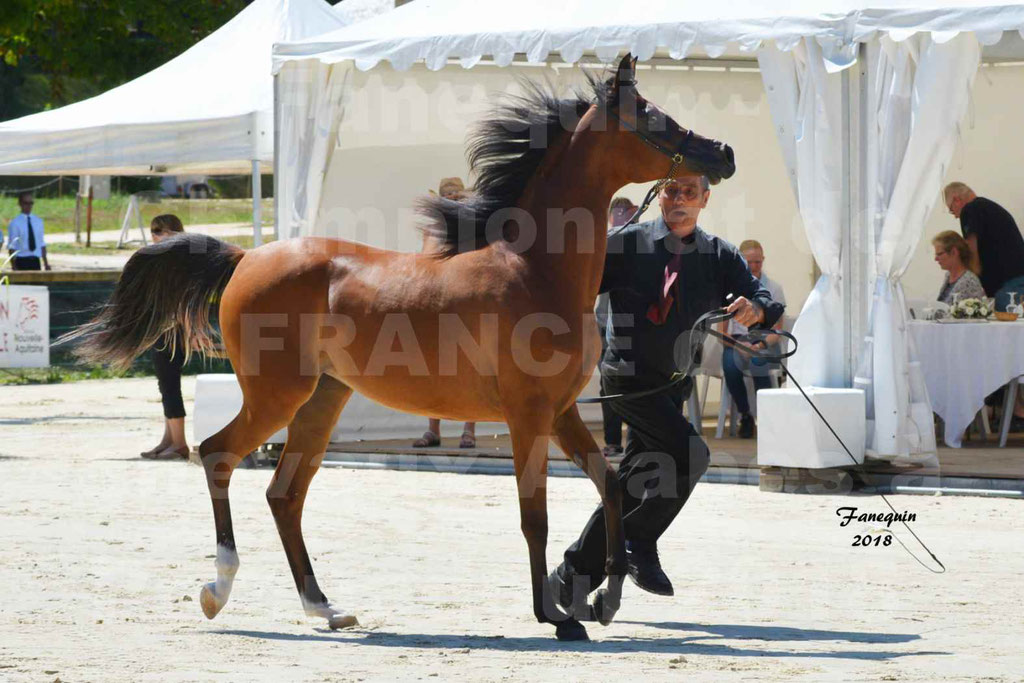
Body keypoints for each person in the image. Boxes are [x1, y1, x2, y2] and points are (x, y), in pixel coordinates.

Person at [551, 175, 784, 603]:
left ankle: (572, 575)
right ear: (659, 195)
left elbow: (762, 295)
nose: (678, 200)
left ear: (705, 200)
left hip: (671, 382)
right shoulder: (623, 243)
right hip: (628, 377)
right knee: (692, 453)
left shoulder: (718, 254)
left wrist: (758, 308)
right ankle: (637, 543)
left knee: (637, 483)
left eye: (688, 193)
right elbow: (569, 285)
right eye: (670, 191)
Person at [413, 177, 477, 449]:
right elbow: (426, 262)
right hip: (438, 303)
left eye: (456, 195)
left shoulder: (474, 228)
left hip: (465, 303)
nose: (452, 198)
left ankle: (469, 430)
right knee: (433, 368)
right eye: (448, 195)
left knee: (473, 366)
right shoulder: (433, 230)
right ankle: (433, 429)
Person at [719, 239, 786, 438]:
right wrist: (739, 345)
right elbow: (722, 333)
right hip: (737, 341)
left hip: (765, 340)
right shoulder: (728, 289)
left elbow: (778, 329)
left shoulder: (774, 288)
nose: (755, 267)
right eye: (750, 263)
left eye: (758, 262)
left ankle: (766, 420)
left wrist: (759, 344)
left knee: (759, 361)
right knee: (730, 365)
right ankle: (745, 415)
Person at [141, 214, 191, 460]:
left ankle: (179, 442)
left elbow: (185, 300)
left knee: (170, 384)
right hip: (161, 327)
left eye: (162, 230)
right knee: (165, 384)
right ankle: (169, 438)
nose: (156, 234)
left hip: (173, 328)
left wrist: (191, 330)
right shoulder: (161, 260)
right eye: (154, 230)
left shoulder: (179, 261)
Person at [596, 196, 638, 457]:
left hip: (634, 326)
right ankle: (612, 441)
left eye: (626, 214)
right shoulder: (602, 245)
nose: (621, 219)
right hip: (605, 327)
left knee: (636, 386)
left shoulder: (639, 244)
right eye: (617, 214)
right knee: (607, 385)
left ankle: (637, 442)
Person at [944, 182, 1024, 311]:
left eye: (952, 210)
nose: (955, 216)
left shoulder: (970, 209)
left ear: (957, 200)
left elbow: (971, 248)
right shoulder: (989, 208)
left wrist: (970, 280)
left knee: (1007, 329)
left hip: (1008, 285)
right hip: (1017, 279)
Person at [932, 230, 986, 305]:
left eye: (940, 254)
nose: (936, 259)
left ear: (954, 252)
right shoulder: (948, 275)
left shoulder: (969, 282)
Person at [5, 191, 51, 271]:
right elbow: (12, 246)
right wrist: (14, 266)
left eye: (31, 203)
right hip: (21, 260)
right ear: (20, 204)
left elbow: (41, 244)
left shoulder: (38, 221)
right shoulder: (15, 223)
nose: (29, 206)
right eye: (26, 203)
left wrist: (46, 263)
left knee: (37, 283)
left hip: (35, 261)